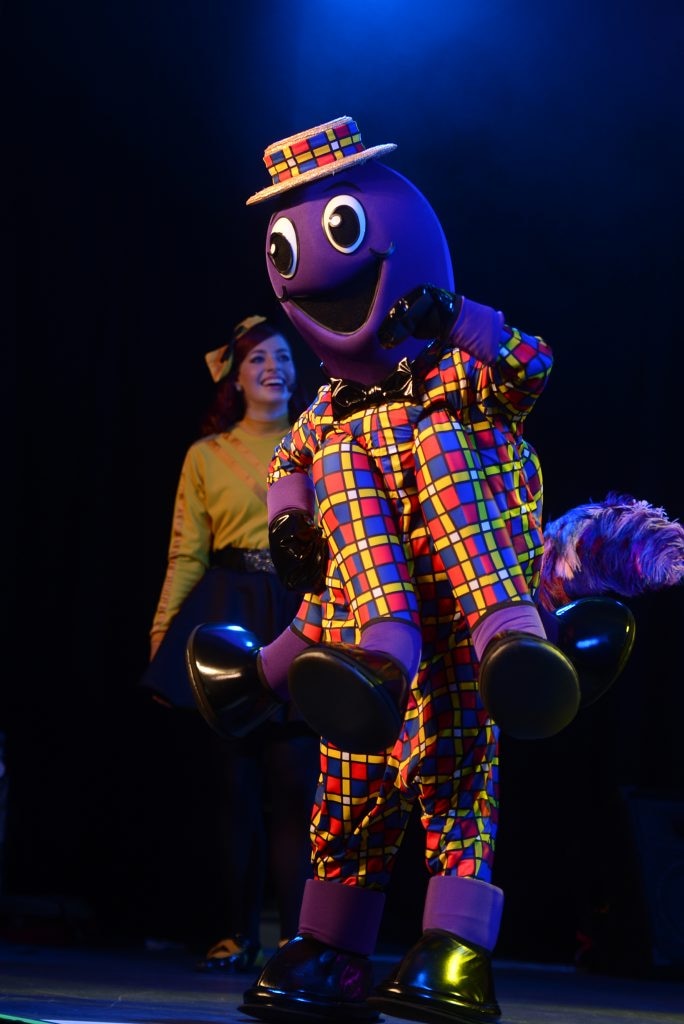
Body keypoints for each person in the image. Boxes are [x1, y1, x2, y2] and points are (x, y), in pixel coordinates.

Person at [185, 117, 683, 1024]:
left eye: (337, 232)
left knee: (458, 787)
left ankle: (453, 949)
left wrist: (460, 320)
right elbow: (287, 470)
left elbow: (530, 366)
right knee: (352, 785)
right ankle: (331, 947)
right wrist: (294, 534)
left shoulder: (454, 385)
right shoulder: (329, 422)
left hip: (459, 640)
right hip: (362, 656)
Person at [139, 314, 320, 973]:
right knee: (232, 788)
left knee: (297, 783)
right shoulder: (206, 456)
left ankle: (301, 941)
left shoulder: (318, 442)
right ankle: (232, 933)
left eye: (281, 356)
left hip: (298, 613)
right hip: (225, 614)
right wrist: (164, 640)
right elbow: (186, 554)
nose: (272, 367)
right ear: (237, 378)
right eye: (256, 360)